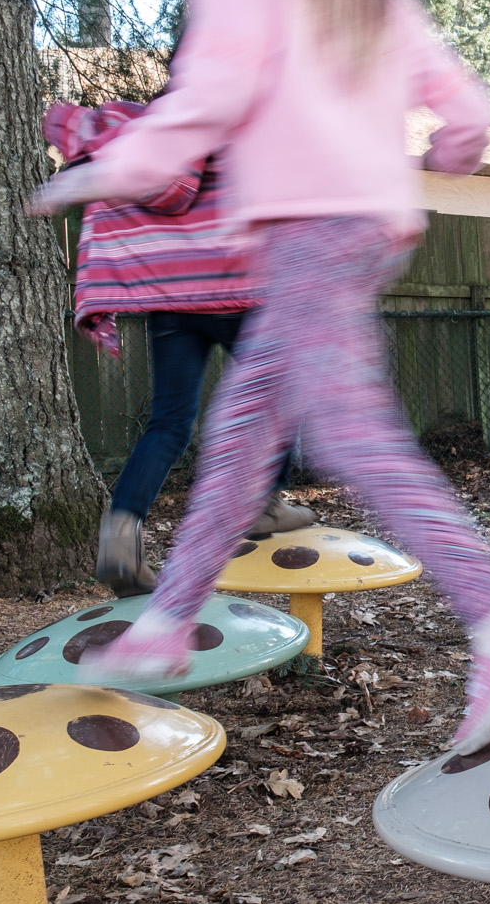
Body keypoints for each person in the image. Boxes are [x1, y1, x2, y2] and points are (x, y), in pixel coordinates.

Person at [24, 0, 490, 758]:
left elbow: (213, 93)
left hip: (311, 230)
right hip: (359, 230)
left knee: (353, 437)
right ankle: (166, 623)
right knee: (238, 433)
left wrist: (107, 168)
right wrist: (453, 136)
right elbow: (454, 97)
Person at [43, 101, 314, 598]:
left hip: (172, 299)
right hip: (240, 292)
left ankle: (122, 535)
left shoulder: (143, 130)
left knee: (168, 423)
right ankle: (266, 503)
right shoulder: (226, 117)